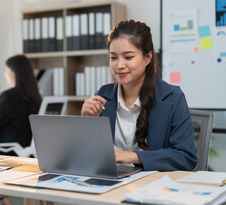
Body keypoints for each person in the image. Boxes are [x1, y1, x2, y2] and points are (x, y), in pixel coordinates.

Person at [81, 20, 197, 171]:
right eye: (113, 57)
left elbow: (185, 157)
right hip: (110, 184)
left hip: (153, 187)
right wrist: (86, 123)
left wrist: (132, 156)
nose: (119, 65)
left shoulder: (173, 97)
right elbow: (87, 155)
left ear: (148, 57)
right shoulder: (103, 95)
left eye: (128, 57)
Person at [0, 54, 42, 156]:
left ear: (14, 72)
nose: (5, 74)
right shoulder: (36, 97)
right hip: (28, 154)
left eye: (6, 70)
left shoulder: (9, 96)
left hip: (9, 154)